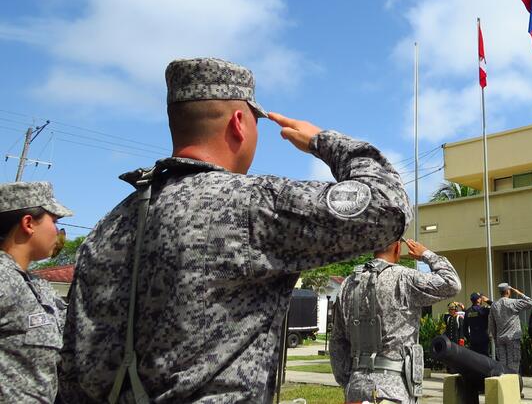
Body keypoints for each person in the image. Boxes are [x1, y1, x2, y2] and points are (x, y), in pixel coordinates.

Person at [59, 57, 413, 403]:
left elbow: (72, 366)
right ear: (239, 124)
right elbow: (388, 207)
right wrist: (323, 140)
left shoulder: (109, 225)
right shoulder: (248, 205)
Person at [330, 238, 460, 403]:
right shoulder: (404, 279)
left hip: (356, 387)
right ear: (398, 248)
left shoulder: (349, 283)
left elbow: (337, 342)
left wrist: (347, 380)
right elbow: (452, 283)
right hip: (394, 390)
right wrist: (425, 254)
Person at [0, 182, 72, 403]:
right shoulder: (3, 279)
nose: (58, 232)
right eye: (54, 221)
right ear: (29, 223)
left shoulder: (36, 285)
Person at [488, 283, 532, 377]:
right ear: (508, 291)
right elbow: (530, 303)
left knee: (502, 366)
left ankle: (504, 389)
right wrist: (519, 293)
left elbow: (491, 324)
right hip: (512, 338)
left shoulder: (494, 305)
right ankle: (513, 389)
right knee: (513, 365)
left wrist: (495, 338)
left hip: (500, 338)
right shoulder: (513, 302)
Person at [463, 292, 492, 357]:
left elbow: (464, 329)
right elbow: (496, 307)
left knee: (475, 360)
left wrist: (469, 339)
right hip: (483, 339)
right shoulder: (483, 310)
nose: (481, 299)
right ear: (478, 300)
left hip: (473, 339)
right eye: (480, 298)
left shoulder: (467, 312)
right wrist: (488, 301)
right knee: (485, 359)